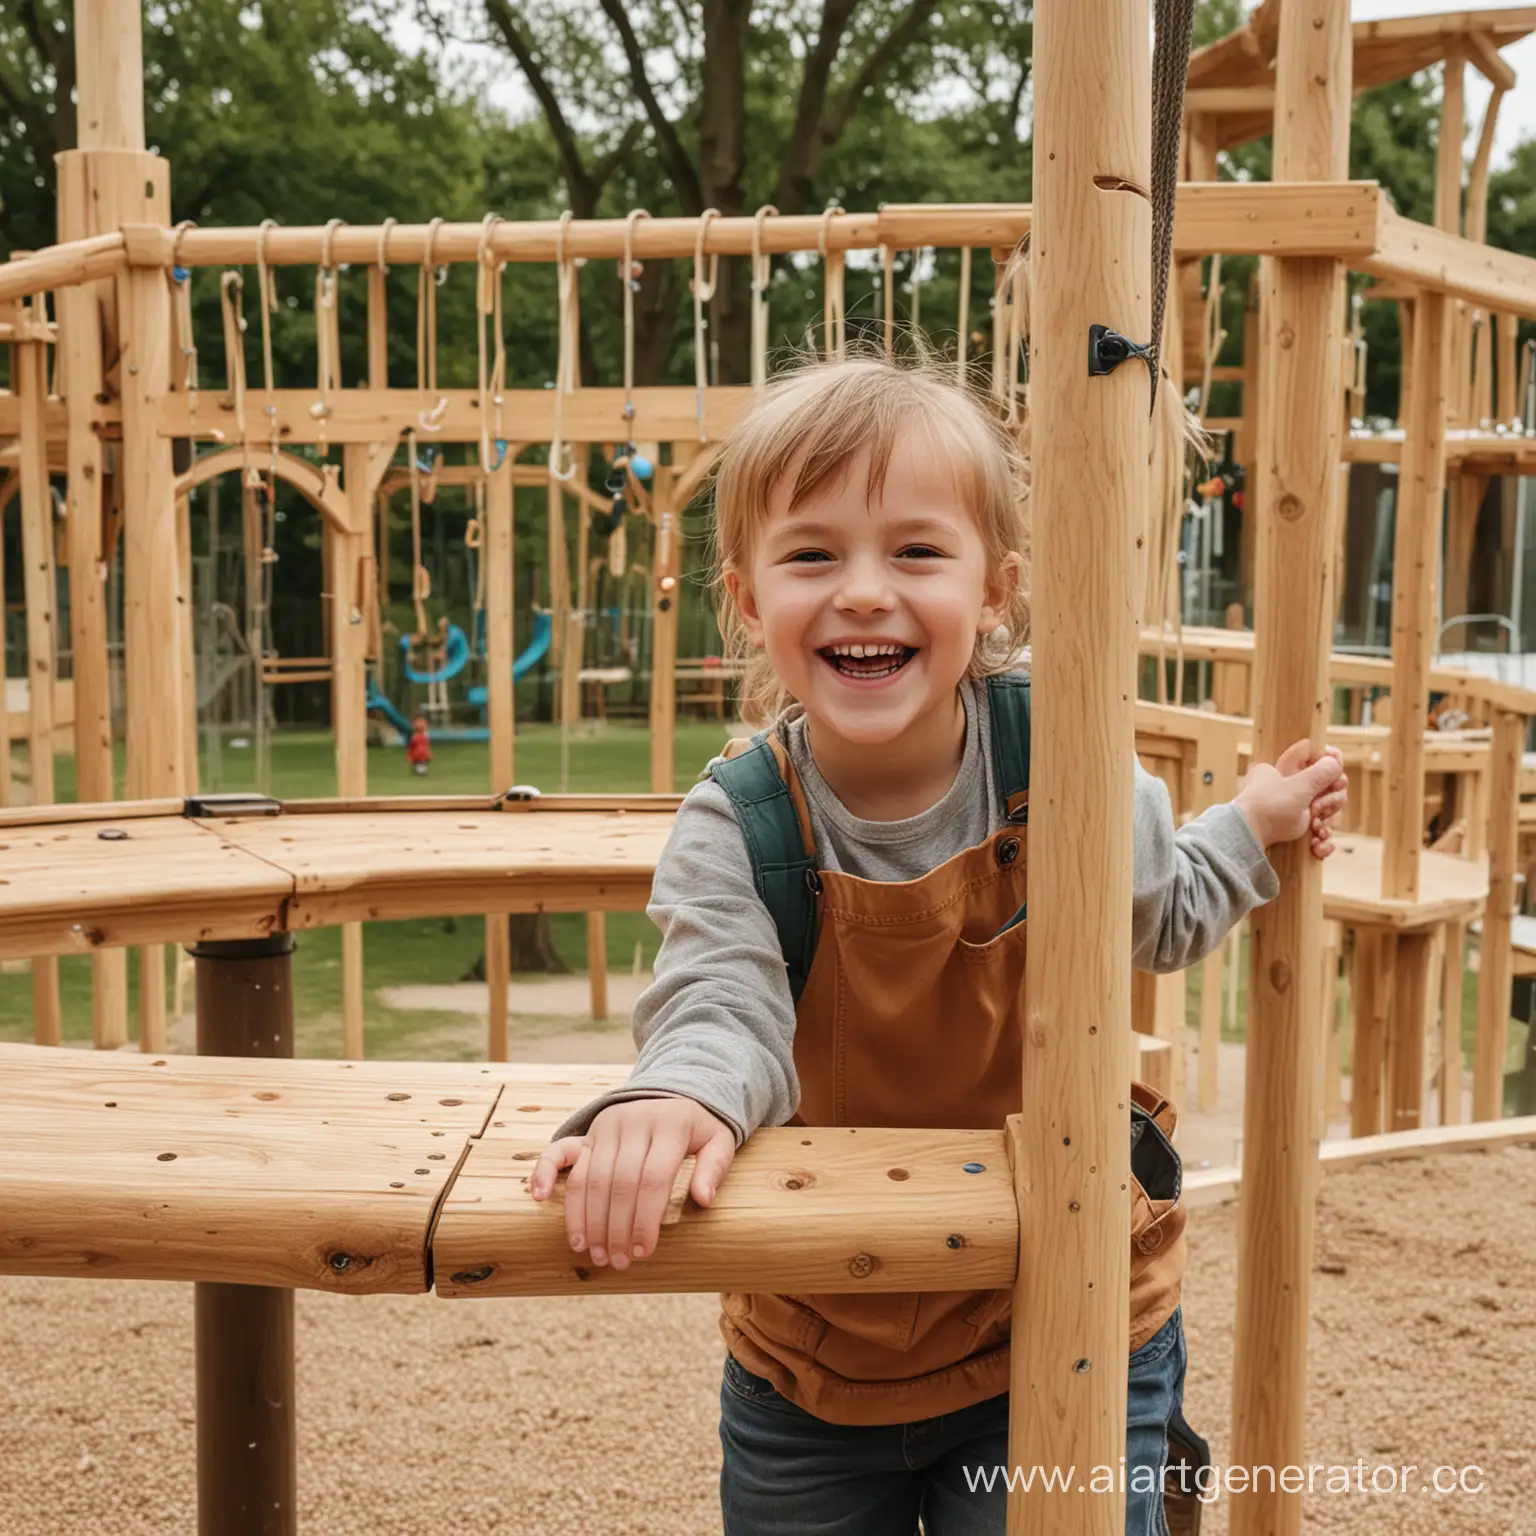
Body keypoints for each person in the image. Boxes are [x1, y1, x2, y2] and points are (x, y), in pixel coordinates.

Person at [531, 355, 1347, 1536]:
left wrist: (1254, 826)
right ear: (751, 601)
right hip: (818, 1344)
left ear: (998, 589)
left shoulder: (1062, 761)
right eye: (813, 555)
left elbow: (1158, 913)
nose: (865, 592)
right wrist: (677, 1097)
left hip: (1063, 1319)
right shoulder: (740, 821)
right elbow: (720, 1000)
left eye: (916, 552)